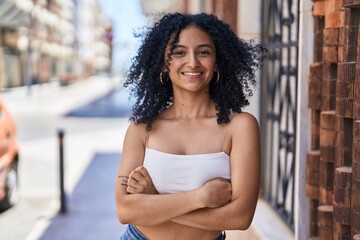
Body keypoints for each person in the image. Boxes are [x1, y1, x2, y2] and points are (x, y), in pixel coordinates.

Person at [116, 12, 264, 240]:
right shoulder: (141, 130)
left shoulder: (239, 127)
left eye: (204, 52)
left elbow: (240, 218)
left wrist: (154, 200)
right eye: (179, 52)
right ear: (164, 64)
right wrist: (200, 198)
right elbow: (125, 210)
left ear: (218, 62)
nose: (193, 62)